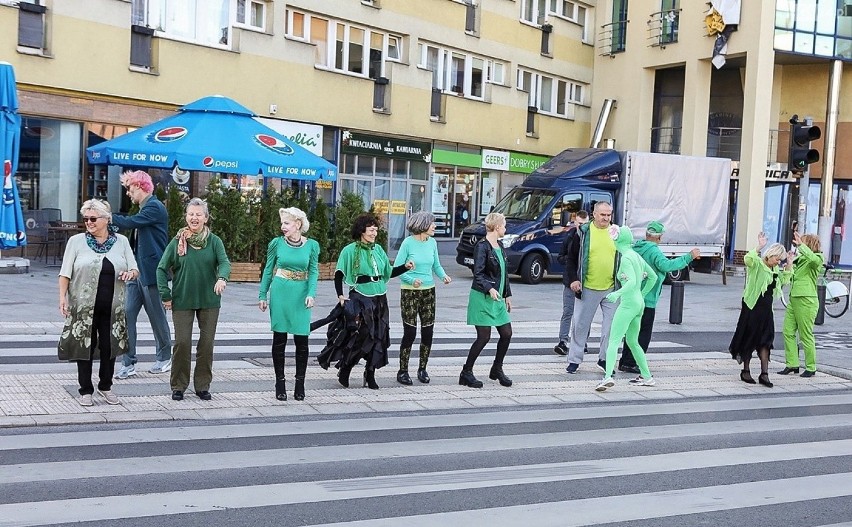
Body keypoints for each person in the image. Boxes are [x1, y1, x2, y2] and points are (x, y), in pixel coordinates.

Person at [318, 213, 413, 390]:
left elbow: (388, 273)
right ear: (362, 230)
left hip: (380, 297)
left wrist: (404, 268)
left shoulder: (378, 250)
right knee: (360, 337)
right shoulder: (349, 250)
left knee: (379, 337)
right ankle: (346, 368)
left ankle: (370, 373)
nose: (374, 233)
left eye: (376, 230)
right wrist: (340, 295)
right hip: (360, 296)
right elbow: (339, 273)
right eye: (371, 230)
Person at [58, 199, 139, 406]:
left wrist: (130, 273)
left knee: (109, 346)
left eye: (93, 218)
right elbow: (65, 273)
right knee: (84, 345)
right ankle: (85, 390)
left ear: (106, 219)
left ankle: (105, 386)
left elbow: (134, 269)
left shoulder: (121, 241)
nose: (89, 222)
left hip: (113, 306)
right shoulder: (76, 242)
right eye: (86, 219)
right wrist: (62, 298)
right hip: (83, 306)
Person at [157, 198, 231, 401]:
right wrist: (165, 294)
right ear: (186, 216)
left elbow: (224, 262)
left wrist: (222, 278)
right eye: (191, 214)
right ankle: (178, 385)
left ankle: (202, 385)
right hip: (182, 299)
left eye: (199, 214)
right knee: (181, 343)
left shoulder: (214, 241)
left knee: (206, 344)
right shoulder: (177, 241)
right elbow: (161, 269)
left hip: (209, 300)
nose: (194, 217)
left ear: (206, 218)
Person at [111, 170, 172, 380]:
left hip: (153, 273)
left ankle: (165, 357)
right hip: (135, 273)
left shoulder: (154, 207)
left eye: (129, 188)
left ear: (140, 186)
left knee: (157, 317)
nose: (128, 193)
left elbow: (130, 223)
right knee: (127, 314)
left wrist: (105, 217)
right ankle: (128, 363)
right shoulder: (143, 209)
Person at [619, 221, 700, 373]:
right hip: (646, 299)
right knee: (643, 333)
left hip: (631, 297)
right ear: (659, 237)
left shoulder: (636, 248)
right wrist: (688, 257)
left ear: (646, 234)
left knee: (631, 331)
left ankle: (625, 360)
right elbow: (666, 266)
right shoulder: (653, 251)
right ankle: (633, 362)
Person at [258, 207, 319, 401]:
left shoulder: (312, 246)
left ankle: (300, 383)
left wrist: (311, 293)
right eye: (282, 223)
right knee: (280, 339)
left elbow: (314, 271)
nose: (282, 226)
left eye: (286, 223)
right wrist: (262, 295)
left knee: (302, 341)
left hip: (301, 293)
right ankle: (280, 382)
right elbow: (268, 270)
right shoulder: (276, 244)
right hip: (280, 291)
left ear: (298, 224)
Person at [595, 225, 657, 391]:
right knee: (632, 342)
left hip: (628, 303)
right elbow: (653, 277)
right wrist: (641, 294)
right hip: (638, 303)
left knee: (614, 341)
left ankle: (607, 377)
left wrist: (617, 294)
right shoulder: (635, 256)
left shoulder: (626, 258)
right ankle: (647, 376)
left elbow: (629, 282)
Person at [393, 211, 451, 385]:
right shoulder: (407, 243)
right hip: (410, 291)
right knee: (410, 332)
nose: (435, 226)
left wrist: (443, 276)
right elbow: (397, 268)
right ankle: (403, 370)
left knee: (428, 332)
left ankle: (422, 369)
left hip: (429, 291)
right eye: (432, 223)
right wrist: (411, 280)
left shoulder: (432, 242)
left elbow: (436, 265)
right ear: (422, 224)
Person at [729, 232, 790, 388]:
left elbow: (784, 281)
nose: (778, 262)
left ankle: (764, 374)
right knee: (750, 338)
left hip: (766, 311)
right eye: (777, 258)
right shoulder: (758, 264)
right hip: (752, 308)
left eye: (780, 260)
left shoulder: (775, 269)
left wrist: (789, 264)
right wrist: (759, 246)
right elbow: (748, 259)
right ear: (771, 255)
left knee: (765, 341)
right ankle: (746, 370)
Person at [460, 212, 513, 388]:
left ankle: (497, 368)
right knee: (484, 337)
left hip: (497, 297)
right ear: (497, 227)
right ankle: (466, 372)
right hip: (483, 296)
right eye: (504, 225)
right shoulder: (482, 246)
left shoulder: (499, 245)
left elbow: (504, 273)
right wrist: (489, 288)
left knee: (507, 334)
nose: (505, 229)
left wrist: (507, 294)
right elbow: (478, 274)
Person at [564, 201, 618, 374]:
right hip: (587, 287)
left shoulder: (616, 232)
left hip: (611, 288)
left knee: (610, 327)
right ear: (594, 214)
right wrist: (573, 279)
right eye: (603, 214)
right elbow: (571, 258)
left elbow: (625, 253)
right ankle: (574, 360)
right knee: (580, 325)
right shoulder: (583, 232)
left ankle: (604, 360)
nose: (606, 218)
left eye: (609, 214)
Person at [780, 232, 823, 378]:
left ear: (809, 245)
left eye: (803, 242)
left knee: (805, 335)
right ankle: (792, 364)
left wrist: (801, 246)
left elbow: (813, 259)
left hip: (806, 300)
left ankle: (811, 367)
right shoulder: (801, 259)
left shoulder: (816, 258)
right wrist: (790, 263)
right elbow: (791, 276)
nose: (799, 245)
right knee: (788, 331)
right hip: (794, 298)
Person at [554, 210, 589, 356]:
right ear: (575, 222)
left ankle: (582, 342)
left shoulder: (590, 237)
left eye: (584, 224)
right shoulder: (569, 236)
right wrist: (570, 260)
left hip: (586, 282)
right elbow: (560, 257)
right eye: (579, 223)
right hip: (570, 280)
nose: (581, 226)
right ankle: (563, 341)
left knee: (583, 314)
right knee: (568, 311)